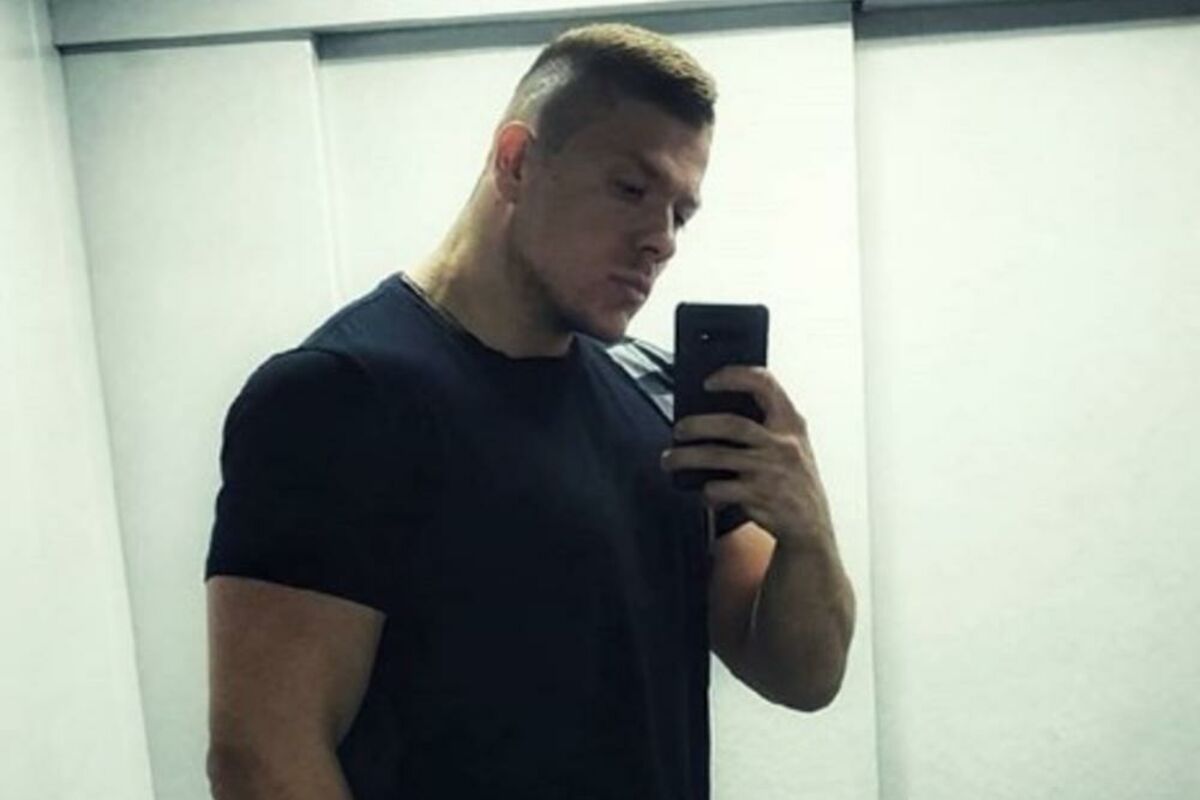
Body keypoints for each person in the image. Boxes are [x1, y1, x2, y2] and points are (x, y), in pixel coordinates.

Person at [204, 21, 855, 800]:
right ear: (515, 162)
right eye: (631, 189)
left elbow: (803, 675)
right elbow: (263, 760)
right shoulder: (338, 399)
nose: (661, 241)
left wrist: (807, 528)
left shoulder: (658, 396)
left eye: (681, 213)